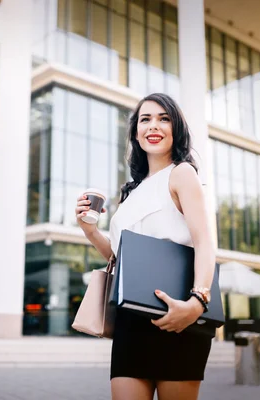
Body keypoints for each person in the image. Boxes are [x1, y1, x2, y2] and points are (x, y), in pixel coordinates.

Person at [75, 93, 216, 400]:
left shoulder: (182, 173)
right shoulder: (130, 192)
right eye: (145, 119)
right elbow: (120, 258)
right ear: (136, 132)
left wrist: (197, 303)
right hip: (130, 319)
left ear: (176, 128)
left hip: (176, 312)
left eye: (164, 118)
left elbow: (205, 241)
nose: (154, 125)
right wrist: (90, 231)